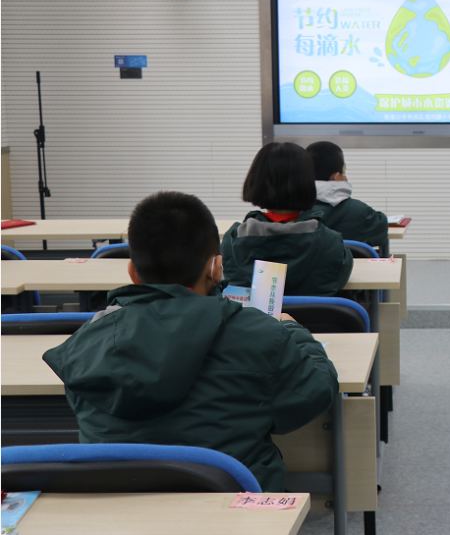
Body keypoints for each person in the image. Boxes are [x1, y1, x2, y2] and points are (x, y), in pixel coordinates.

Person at [43, 191, 339, 491]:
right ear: (216, 268)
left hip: (118, 507)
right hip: (235, 508)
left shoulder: (88, 343)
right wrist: (293, 330)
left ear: (132, 271)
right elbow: (316, 392)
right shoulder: (261, 334)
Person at [221, 142, 353, 297]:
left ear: (255, 181)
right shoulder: (331, 245)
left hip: (253, 314)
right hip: (312, 315)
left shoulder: (232, 242)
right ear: (308, 183)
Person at [303, 140, 390, 258]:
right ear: (336, 177)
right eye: (344, 171)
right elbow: (381, 227)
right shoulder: (360, 211)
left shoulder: (293, 211)